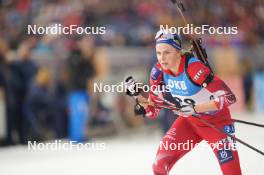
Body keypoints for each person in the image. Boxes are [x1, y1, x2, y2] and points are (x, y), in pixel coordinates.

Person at [133, 30, 242, 175]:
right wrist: (140, 100)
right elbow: (154, 111)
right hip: (189, 122)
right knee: (159, 164)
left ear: (178, 51)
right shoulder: (158, 72)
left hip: (217, 124)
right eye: (158, 53)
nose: (162, 59)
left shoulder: (194, 69)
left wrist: (195, 108)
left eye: (167, 53)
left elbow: (229, 97)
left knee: (232, 173)